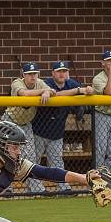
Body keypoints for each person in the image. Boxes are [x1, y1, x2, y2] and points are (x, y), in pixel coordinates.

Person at [31, 61, 94, 192]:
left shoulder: (71, 84)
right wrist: (78, 90)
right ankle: (35, 189)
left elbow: (87, 91)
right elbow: (57, 94)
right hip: (38, 130)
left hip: (57, 132)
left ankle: (63, 187)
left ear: (68, 73)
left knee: (57, 162)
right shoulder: (46, 83)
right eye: (59, 71)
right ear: (53, 73)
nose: (61, 74)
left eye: (64, 71)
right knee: (34, 162)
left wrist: (88, 90)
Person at [2, 62, 56, 193]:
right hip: (10, 121)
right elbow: (24, 94)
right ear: (23, 75)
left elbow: (53, 91)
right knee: (6, 156)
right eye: (29, 74)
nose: (33, 77)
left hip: (26, 124)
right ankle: (5, 188)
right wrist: (44, 91)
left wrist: (48, 91)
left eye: (35, 74)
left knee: (31, 156)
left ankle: (36, 189)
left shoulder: (40, 83)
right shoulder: (17, 82)